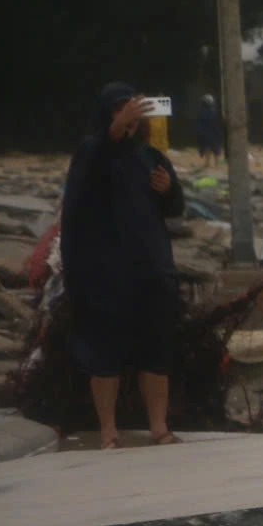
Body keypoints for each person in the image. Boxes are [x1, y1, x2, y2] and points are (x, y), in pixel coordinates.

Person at [61, 82, 183, 448]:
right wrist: (114, 130)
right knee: (104, 353)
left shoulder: (150, 156)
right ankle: (108, 431)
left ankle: (158, 427)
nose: (128, 117)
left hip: (151, 268)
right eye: (119, 110)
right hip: (104, 272)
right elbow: (96, 164)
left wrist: (168, 190)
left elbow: (175, 208)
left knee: (156, 351)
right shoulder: (91, 152)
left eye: (131, 110)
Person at [193, 93, 224, 164]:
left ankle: (207, 163)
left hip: (206, 134)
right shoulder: (216, 112)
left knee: (207, 148)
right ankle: (217, 163)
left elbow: (199, 125)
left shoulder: (202, 113)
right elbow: (219, 123)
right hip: (215, 133)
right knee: (216, 148)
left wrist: (200, 133)